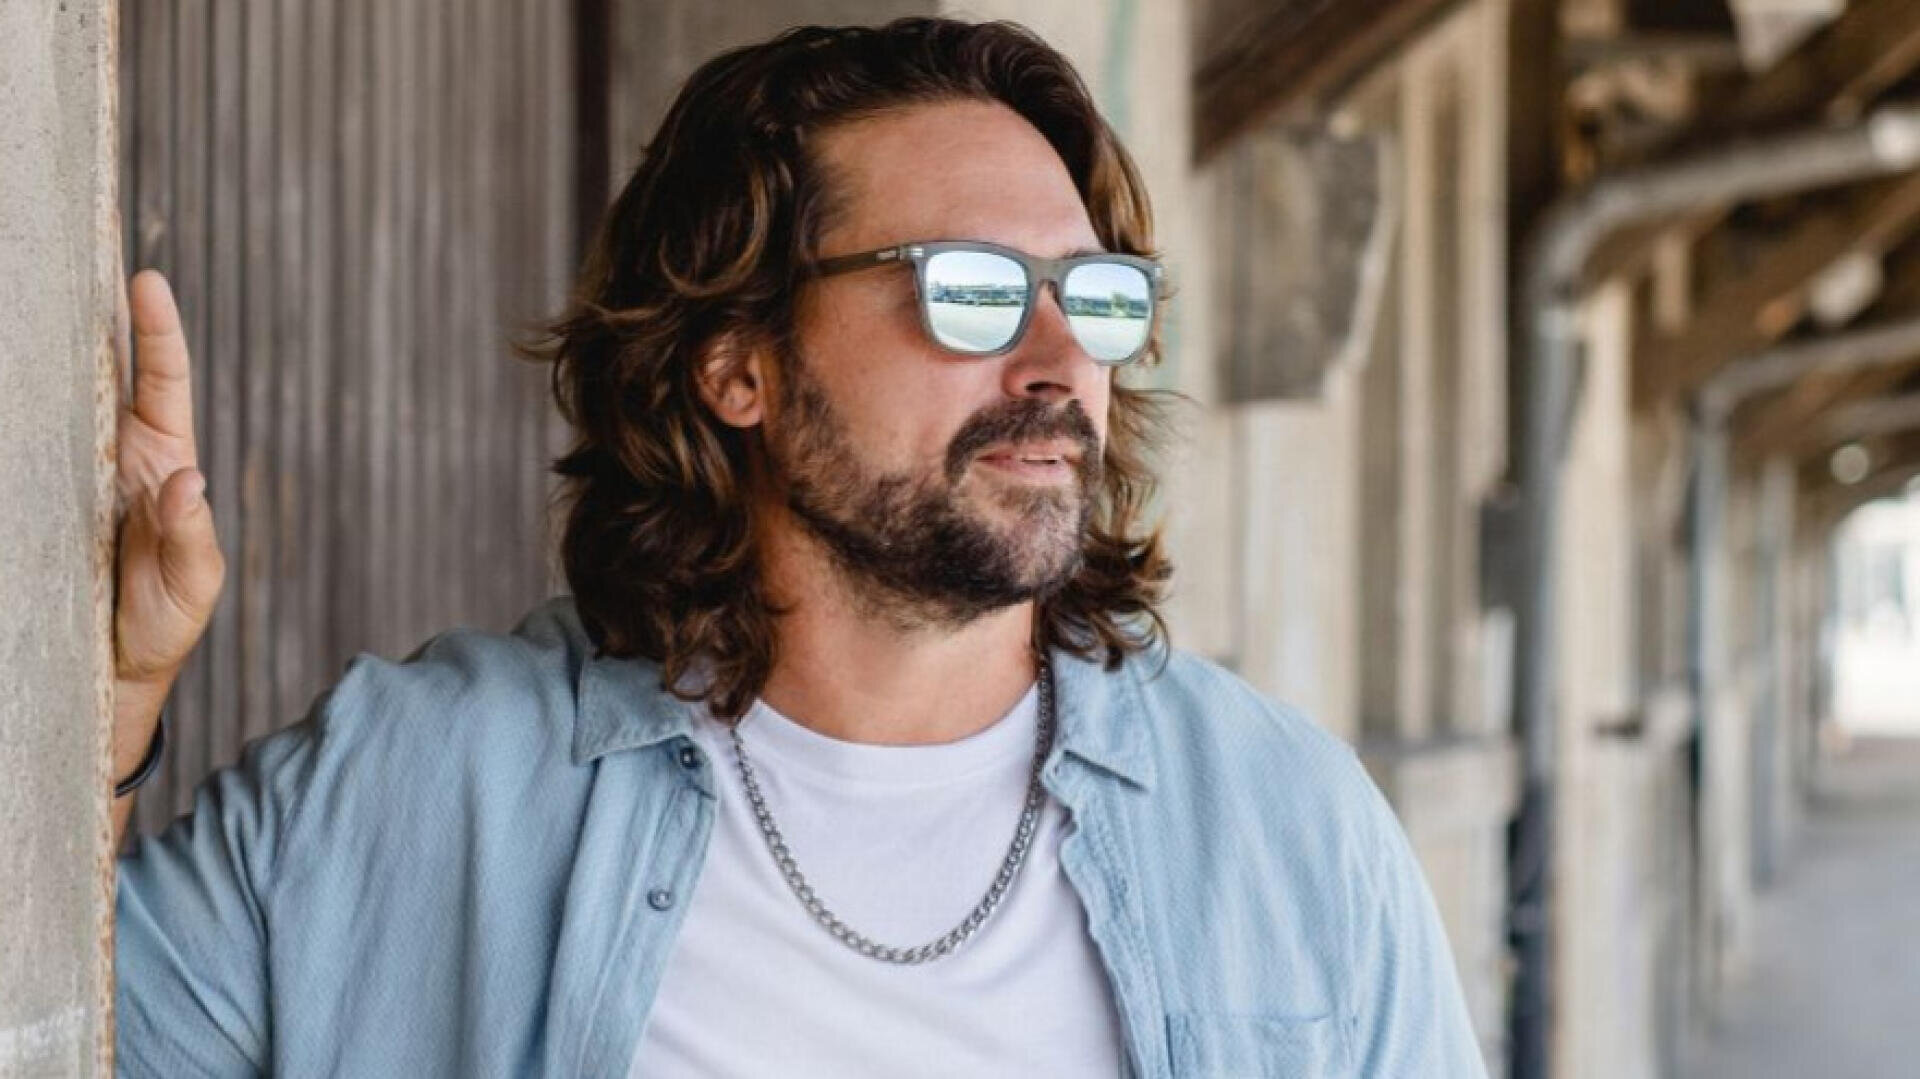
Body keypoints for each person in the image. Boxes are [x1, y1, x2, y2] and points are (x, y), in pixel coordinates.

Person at [110, 17, 1487, 1078]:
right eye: (971, 291)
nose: (1063, 358)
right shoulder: (416, 788)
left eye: (1098, 297)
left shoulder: (1286, 828)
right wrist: (103, 718)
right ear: (737, 363)